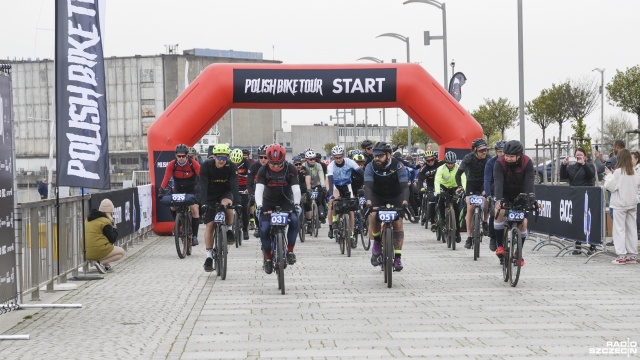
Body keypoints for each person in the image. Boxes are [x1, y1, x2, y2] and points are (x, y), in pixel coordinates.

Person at [255, 144, 301, 274]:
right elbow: (259, 190)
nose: (275, 166)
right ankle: (268, 258)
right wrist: (259, 206)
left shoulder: (290, 168)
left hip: (285, 201)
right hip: (268, 202)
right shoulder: (263, 170)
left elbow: (296, 189)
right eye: (273, 164)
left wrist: (297, 205)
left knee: (294, 220)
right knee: (264, 228)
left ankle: (290, 251)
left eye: (279, 164)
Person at [363, 141, 409, 271]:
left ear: (388, 155)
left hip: (395, 196)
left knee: (398, 222)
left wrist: (405, 203)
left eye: (380, 156)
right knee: (373, 215)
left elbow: (404, 186)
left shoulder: (399, 166)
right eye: (375, 156)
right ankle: (377, 241)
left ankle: (398, 257)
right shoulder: (370, 166)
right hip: (377, 196)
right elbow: (368, 186)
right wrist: (369, 204)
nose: (376, 158)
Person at [493, 140, 537, 265]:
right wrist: (498, 199)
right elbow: (498, 182)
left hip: (521, 194)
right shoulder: (499, 162)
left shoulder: (526, 162)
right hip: (504, 193)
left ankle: (518, 253)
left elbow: (529, 181)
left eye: (511, 156)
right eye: (506, 155)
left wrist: (532, 199)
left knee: (523, 223)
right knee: (499, 212)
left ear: (519, 155)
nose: (508, 158)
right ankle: (500, 246)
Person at [199, 143, 241, 272]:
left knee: (227, 204)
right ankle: (209, 257)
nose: (221, 161)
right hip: (210, 194)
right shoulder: (206, 166)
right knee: (210, 225)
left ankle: (228, 229)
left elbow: (234, 185)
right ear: (214, 157)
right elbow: (203, 186)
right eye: (219, 158)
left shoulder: (231, 167)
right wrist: (204, 203)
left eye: (224, 158)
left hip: (225, 192)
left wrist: (238, 202)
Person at [160, 144, 201, 246]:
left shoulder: (193, 164)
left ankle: (195, 236)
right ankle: (178, 222)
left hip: (192, 188)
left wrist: (200, 188)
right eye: (179, 156)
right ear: (176, 156)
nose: (181, 158)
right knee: (173, 207)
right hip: (179, 188)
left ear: (187, 155)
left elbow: (202, 177)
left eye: (183, 156)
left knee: (195, 210)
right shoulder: (172, 165)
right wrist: (161, 190)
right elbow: (166, 178)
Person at [604, 149, 640, 264]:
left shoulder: (618, 172)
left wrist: (609, 175)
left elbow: (611, 187)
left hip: (620, 204)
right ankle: (632, 254)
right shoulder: (634, 171)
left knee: (619, 229)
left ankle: (621, 255)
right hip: (632, 203)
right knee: (632, 229)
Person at [326, 145, 364, 245]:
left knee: (351, 210)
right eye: (336, 157)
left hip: (347, 185)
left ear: (343, 156)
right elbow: (330, 182)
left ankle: (351, 234)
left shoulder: (349, 162)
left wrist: (367, 181)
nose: (338, 159)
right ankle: (333, 223)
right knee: (333, 201)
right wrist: (330, 195)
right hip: (336, 185)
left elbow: (361, 172)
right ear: (333, 157)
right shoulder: (331, 166)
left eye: (340, 157)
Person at [456, 138, 490, 249]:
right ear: (475, 151)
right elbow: (458, 174)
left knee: (486, 200)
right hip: (471, 183)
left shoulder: (488, 158)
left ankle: (485, 222)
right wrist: (460, 186)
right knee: (470, 208)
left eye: (485, 150)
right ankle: (469, 237)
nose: (484, 152)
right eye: (481, 151)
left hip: (483, 183)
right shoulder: (468, 158)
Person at [85, 199, 125, 274]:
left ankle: (105, 265)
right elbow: (112, 239)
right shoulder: (105, 221)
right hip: (97, 252)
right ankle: (102, 263)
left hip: (86, 252)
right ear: (110, 212)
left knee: (105, 244)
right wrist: (114, 227)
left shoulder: (88, 219)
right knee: (121, 252)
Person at [435, 151, 465, 244]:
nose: (450, 165)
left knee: (456, 208)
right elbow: (437, 180)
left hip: (455, 187)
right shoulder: (441, 168)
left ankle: (457, 232)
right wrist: (438, 192)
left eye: (452, 163)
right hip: (444, 187)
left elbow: (464, 178)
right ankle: (443, 220)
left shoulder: (458, 167)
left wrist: (464, 189)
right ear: (445, 162)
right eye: (448, 163)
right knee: (440, 202)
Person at [483, 140, 505, 251]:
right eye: (500, 151)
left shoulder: (509, 162)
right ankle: (492, 237)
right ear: (496, 152)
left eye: (504, 152)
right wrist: (489, 196)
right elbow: (486, 181)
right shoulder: (490, 163)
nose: (502, 154)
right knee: (493, 212)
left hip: (507, 190)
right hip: (494, 189)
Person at [417, 151, 443, 231]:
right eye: (428, 161)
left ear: (434, 158)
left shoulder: (440, 163)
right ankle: (432, 222)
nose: (431, 162)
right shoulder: (424, 168)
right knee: (432, 201)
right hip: (431, 186)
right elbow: (420, 179)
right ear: (425, 161)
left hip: (442, 184)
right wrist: (421, 188)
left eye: (432, 159)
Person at [230, 148, 251, 240]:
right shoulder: (228, 164)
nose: (236, 165)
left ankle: (245, 230)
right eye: (234, 163)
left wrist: (248, 188)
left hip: (243, 187)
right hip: (232, 187)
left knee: (244, 208)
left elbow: (250, 177)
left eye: (238, 163)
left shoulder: (246, 163)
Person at [292, 155, 311, 234]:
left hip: (303, 190)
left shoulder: (305, 169)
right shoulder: (291, 170)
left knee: (307, 205)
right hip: (293, 191)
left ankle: (309, 223)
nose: (298, 166)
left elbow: (308, 181)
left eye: (300, 164)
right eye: (296, 164)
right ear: (293, 164)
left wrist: (308, 190)